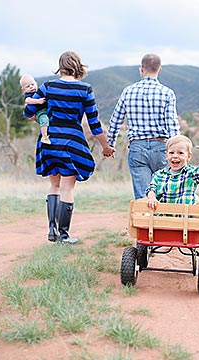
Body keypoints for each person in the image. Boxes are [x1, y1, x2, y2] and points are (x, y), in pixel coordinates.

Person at [24, 51, 115, 244]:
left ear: (60, 66)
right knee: (67, 189)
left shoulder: (48, 86)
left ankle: (52, 229)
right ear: (77, 66)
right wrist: (105, 146)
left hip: (48, 141)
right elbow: (94, 123)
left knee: (54, 185)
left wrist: (41, 115)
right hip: (70, 142)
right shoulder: (85, 89)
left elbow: (29, 112)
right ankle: (63, 235)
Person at [107, 53, 180, 200]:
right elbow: (172, 124)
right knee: (164, 194)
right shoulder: (167, 93)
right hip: (161, 147)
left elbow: (115, 120)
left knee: (143, 197)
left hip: (137, 148)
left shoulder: (128, 91)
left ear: (141, 69)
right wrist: (178, 150)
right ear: (160, 70)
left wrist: (110, 145)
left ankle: (145, 222)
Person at [146, 134, 199, 210]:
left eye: (180, 153)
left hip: (184, 217)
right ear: (166, 155)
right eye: (171, 153)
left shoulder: (190, 173)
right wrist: (152, 197)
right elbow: (151, 188)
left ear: (188, 156)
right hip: (163, 216)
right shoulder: (159, 175)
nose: (175, 156)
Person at [20, 74, 50, 144]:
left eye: (32, 84)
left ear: (36, 84)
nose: (31, 87)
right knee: (44, 119)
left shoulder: (39, 92)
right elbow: (27, 100)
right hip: (40, 112)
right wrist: (38, 101)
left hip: (47, 109)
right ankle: (44, 137)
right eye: (28, 86)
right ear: (23, 89)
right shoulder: (29, 95)